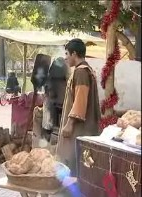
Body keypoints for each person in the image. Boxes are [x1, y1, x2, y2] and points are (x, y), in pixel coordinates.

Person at [56, 38, 101, 176]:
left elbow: (80, 100)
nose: (65, 58)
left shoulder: (81, 72)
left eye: (67, 54)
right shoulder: (85, 71)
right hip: (84, 127)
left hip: (80, 128)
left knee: (74, 162)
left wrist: (69, 124)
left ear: (74, 54)